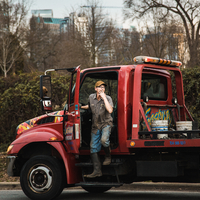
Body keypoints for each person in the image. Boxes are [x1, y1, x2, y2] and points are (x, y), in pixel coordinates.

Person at [81, 80, 113, 178]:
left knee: (104, 141)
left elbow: (110, 110)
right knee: (93, 148)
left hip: (106, 124)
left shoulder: (108, 98)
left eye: (103, 87)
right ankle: (97, 171)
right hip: (95, 125)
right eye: (100, 87)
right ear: (95, 88)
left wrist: (104, 98)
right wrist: (79, 106)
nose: (102, 89)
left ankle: (108, 156)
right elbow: (90, 107)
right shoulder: (91, 97)